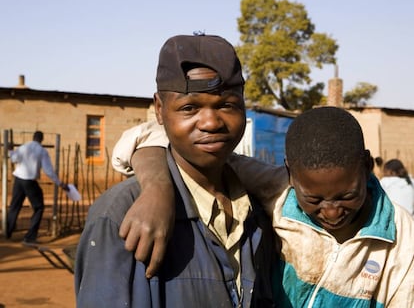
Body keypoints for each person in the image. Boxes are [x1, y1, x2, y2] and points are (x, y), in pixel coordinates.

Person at [113, 106, 414, 307]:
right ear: (290, 172)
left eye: (346, 196)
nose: (332, 211)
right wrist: (157, 188)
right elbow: (163, 139)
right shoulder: (276, 189)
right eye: (314, 199)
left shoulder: (401, 237)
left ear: (366, 166)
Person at [75, 34, 279, 307]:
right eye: (189, 108)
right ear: (160, 110)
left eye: (226, 105)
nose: (210, 122)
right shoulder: (120, 215)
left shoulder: (257, 210)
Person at [6, 131, 68, 243]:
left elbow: (14, 159)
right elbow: (48, 171)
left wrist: (10, 150)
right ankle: (29, 237)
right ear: (41, 139)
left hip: (18, 180)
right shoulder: (42, 151)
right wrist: (59, 183)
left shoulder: (23, 146)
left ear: (33, 137)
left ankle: (8, 232)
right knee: (38, 207)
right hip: (30, 181)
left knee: (14, 206)